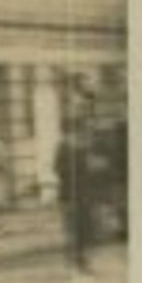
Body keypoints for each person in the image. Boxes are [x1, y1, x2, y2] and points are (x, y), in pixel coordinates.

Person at [54, 111, 96, 270]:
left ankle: (78, 259)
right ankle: (74, 259)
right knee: (72, 228)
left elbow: (86, 170)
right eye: (77, 130)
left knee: (80, 227)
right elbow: (58, 168)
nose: (77, 134)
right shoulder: (64, 147)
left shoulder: (79, 148)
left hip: (80, 194)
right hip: (69, 194)